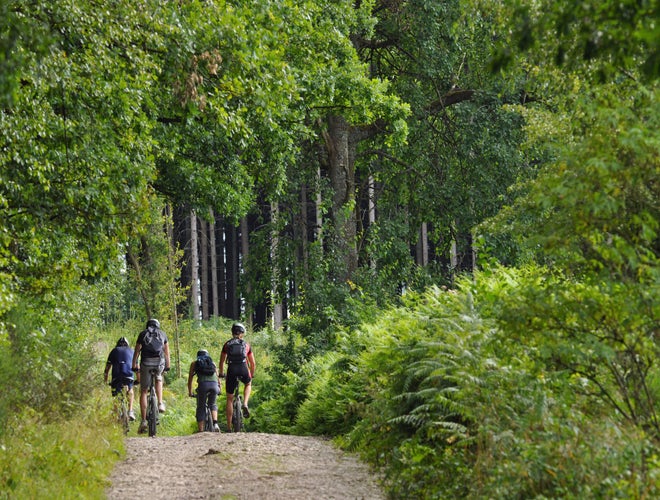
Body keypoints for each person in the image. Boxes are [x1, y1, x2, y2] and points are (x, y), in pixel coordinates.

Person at [132, 318, 170, 434]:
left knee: (143, 390)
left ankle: (143, 421)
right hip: (159, 362)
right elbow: (167, 353)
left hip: (146, 363)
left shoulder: (142, 334)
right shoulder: (162, 334)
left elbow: (137, 351)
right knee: (159, 377)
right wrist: (167, 366)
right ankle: (160, 403)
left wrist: (134, 365)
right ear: (158, 325)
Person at [219, 322, 256, 431]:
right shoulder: (246, 344)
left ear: (233, 332)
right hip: (243, 368)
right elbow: (253, 363)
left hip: (231, 369)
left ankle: (229, 427)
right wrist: (251, 375)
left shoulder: (227, 344)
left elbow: (221, 362)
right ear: (242, 333)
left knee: (229, 399)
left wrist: (221, 373)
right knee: (248, 383)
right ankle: (245, 403)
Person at [187, 349, 221, 432]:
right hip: (214, 385)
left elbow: (190, 379)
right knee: (212, 404)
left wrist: (190, 392)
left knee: (201, 407)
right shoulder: (212, 363)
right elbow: (218, 378)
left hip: (203, 386)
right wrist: (220, 389)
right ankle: (215, 423)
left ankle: (201, 430)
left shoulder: (194, 363)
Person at [104, 336, 136, 421]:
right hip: (128, 375)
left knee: (115, 395)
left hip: (116, 376)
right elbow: (137, 368)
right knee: (130, 390)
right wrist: (138, 380)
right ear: (127, 345)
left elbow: (107, 369)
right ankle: (130, 411)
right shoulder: (132, 351)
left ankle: (116, 413)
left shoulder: (114, 351)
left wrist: (105, 381)